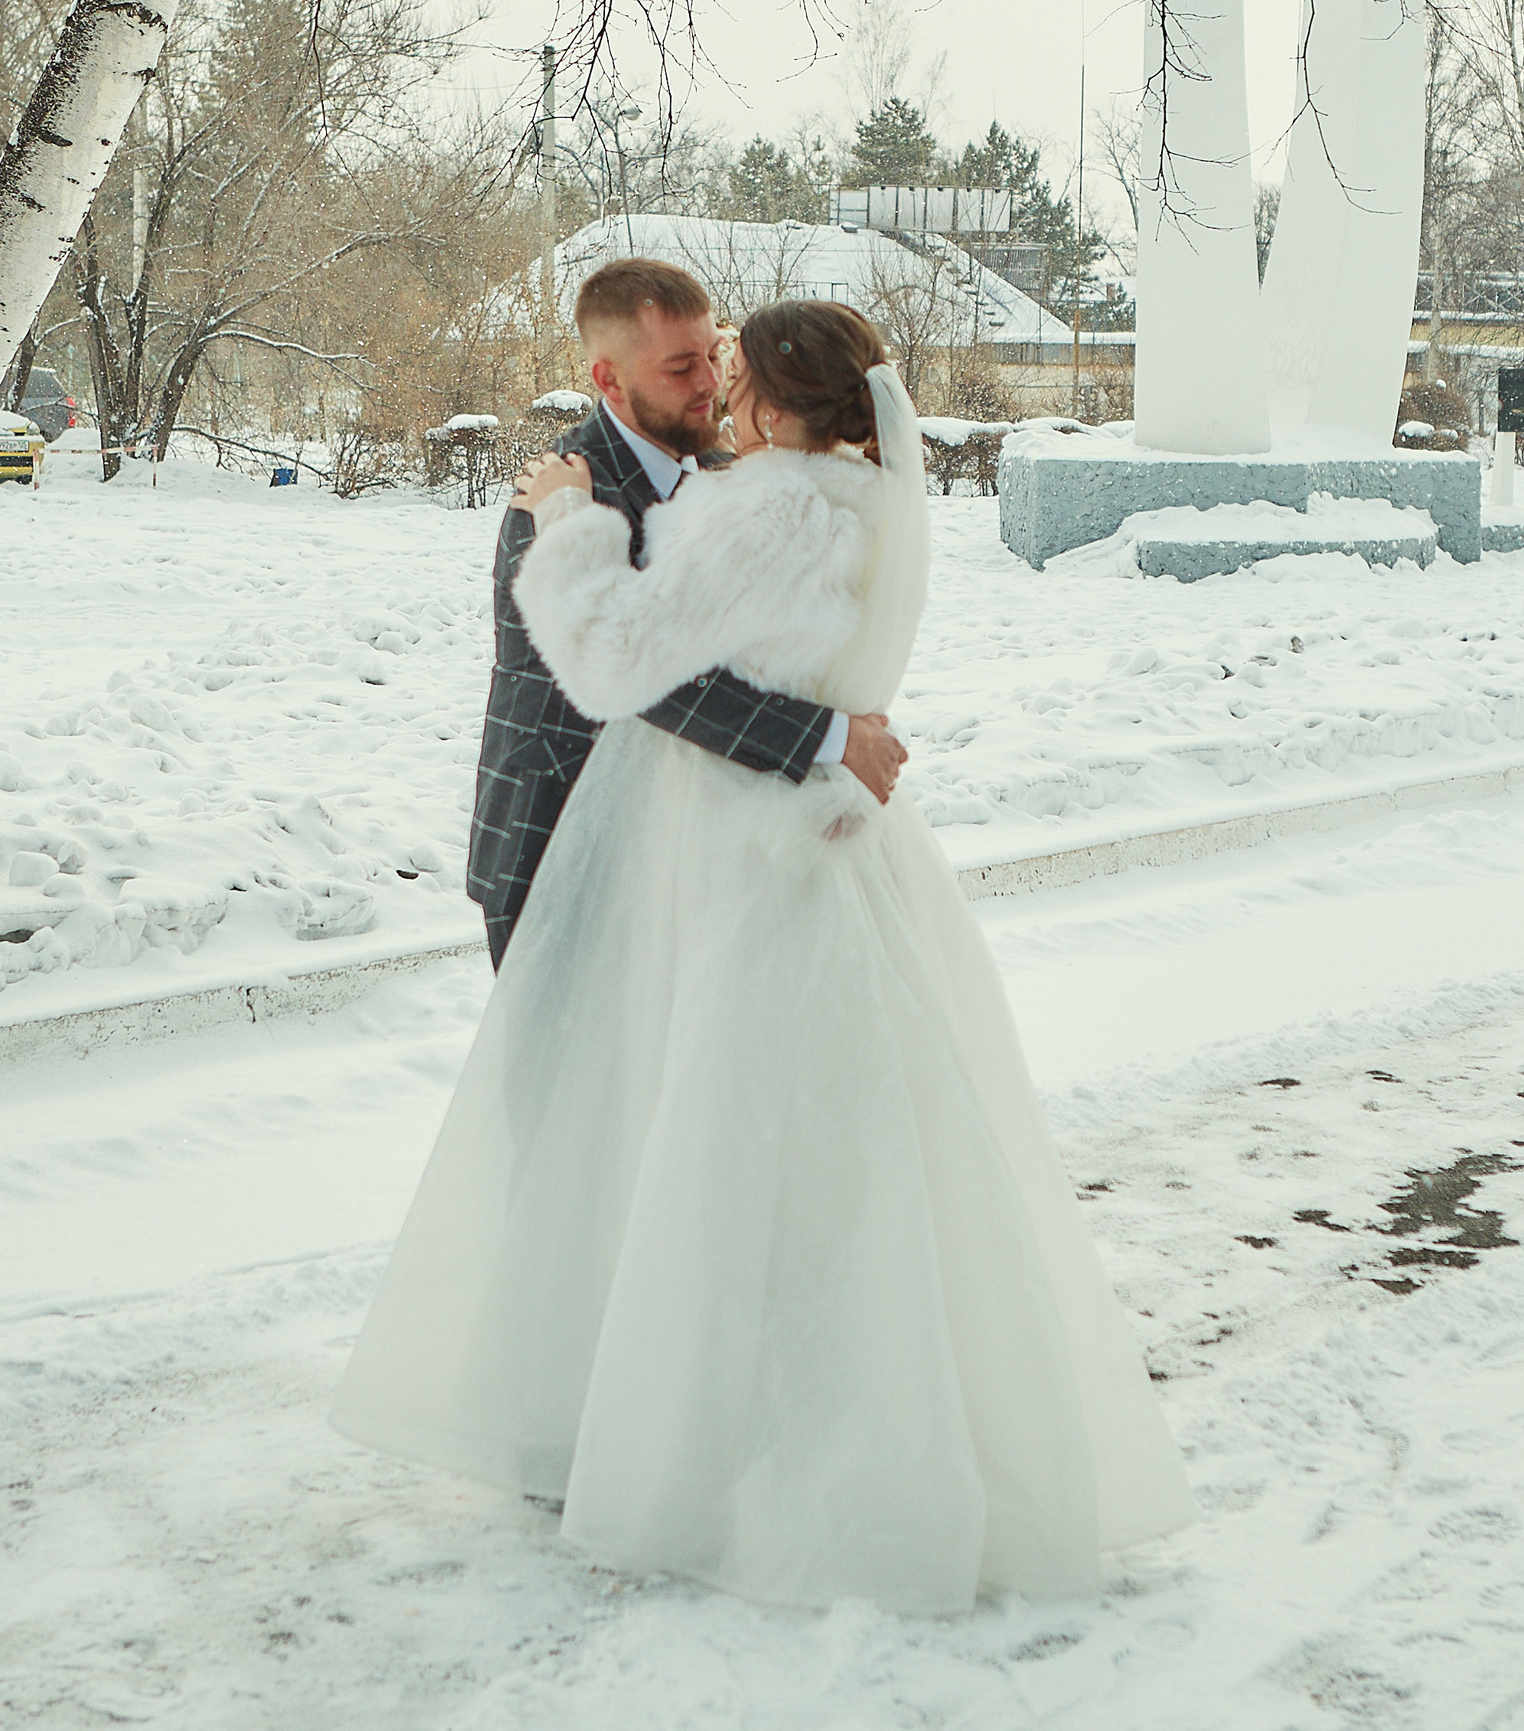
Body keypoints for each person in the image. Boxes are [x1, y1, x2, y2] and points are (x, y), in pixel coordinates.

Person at [335, 300, 1191, 1615]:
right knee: (838, 1166)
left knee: (716, 1159)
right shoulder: (863, 499)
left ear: (781, 402)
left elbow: (622, 653)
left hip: (739, 860)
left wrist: (566, 525)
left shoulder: (771, 506)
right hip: (827, 854)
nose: (721, 397)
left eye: (734, 379)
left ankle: (718, 1453)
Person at [464, 257, 906, 968]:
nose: (708, 383)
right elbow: (660, 685)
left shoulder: (734, 477)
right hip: (564, 837)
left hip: (687, 852)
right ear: (608, 378)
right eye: (679, 368)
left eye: (713, 354)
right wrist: (827, 741)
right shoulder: (560, 495)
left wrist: (820, 779)